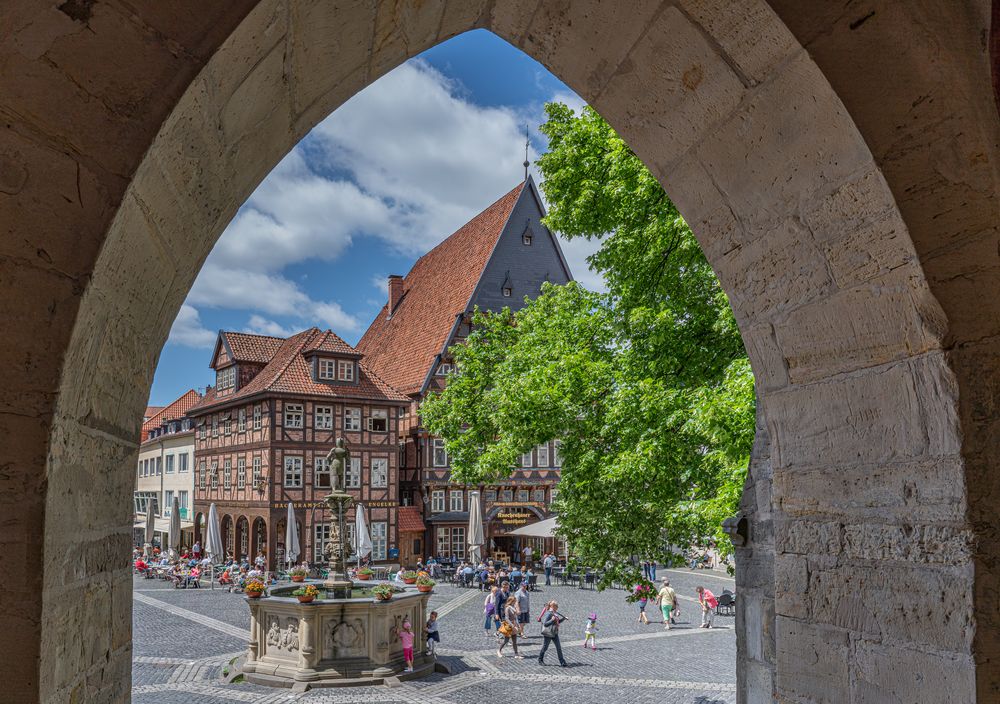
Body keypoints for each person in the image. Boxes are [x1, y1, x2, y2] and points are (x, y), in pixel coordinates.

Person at [538, 600, 567, 667]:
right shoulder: (549, 613)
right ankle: (540, 659)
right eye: (556, 606)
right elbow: (545, 624)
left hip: (554, 632)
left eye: (557, 606)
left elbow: (557, 622)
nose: (557, 607)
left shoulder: (555, 613)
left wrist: (563, 619)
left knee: (558, 647)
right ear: (552, 606)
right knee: (545, 647)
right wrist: (552, 620)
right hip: (549, 633)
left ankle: (562, 662)